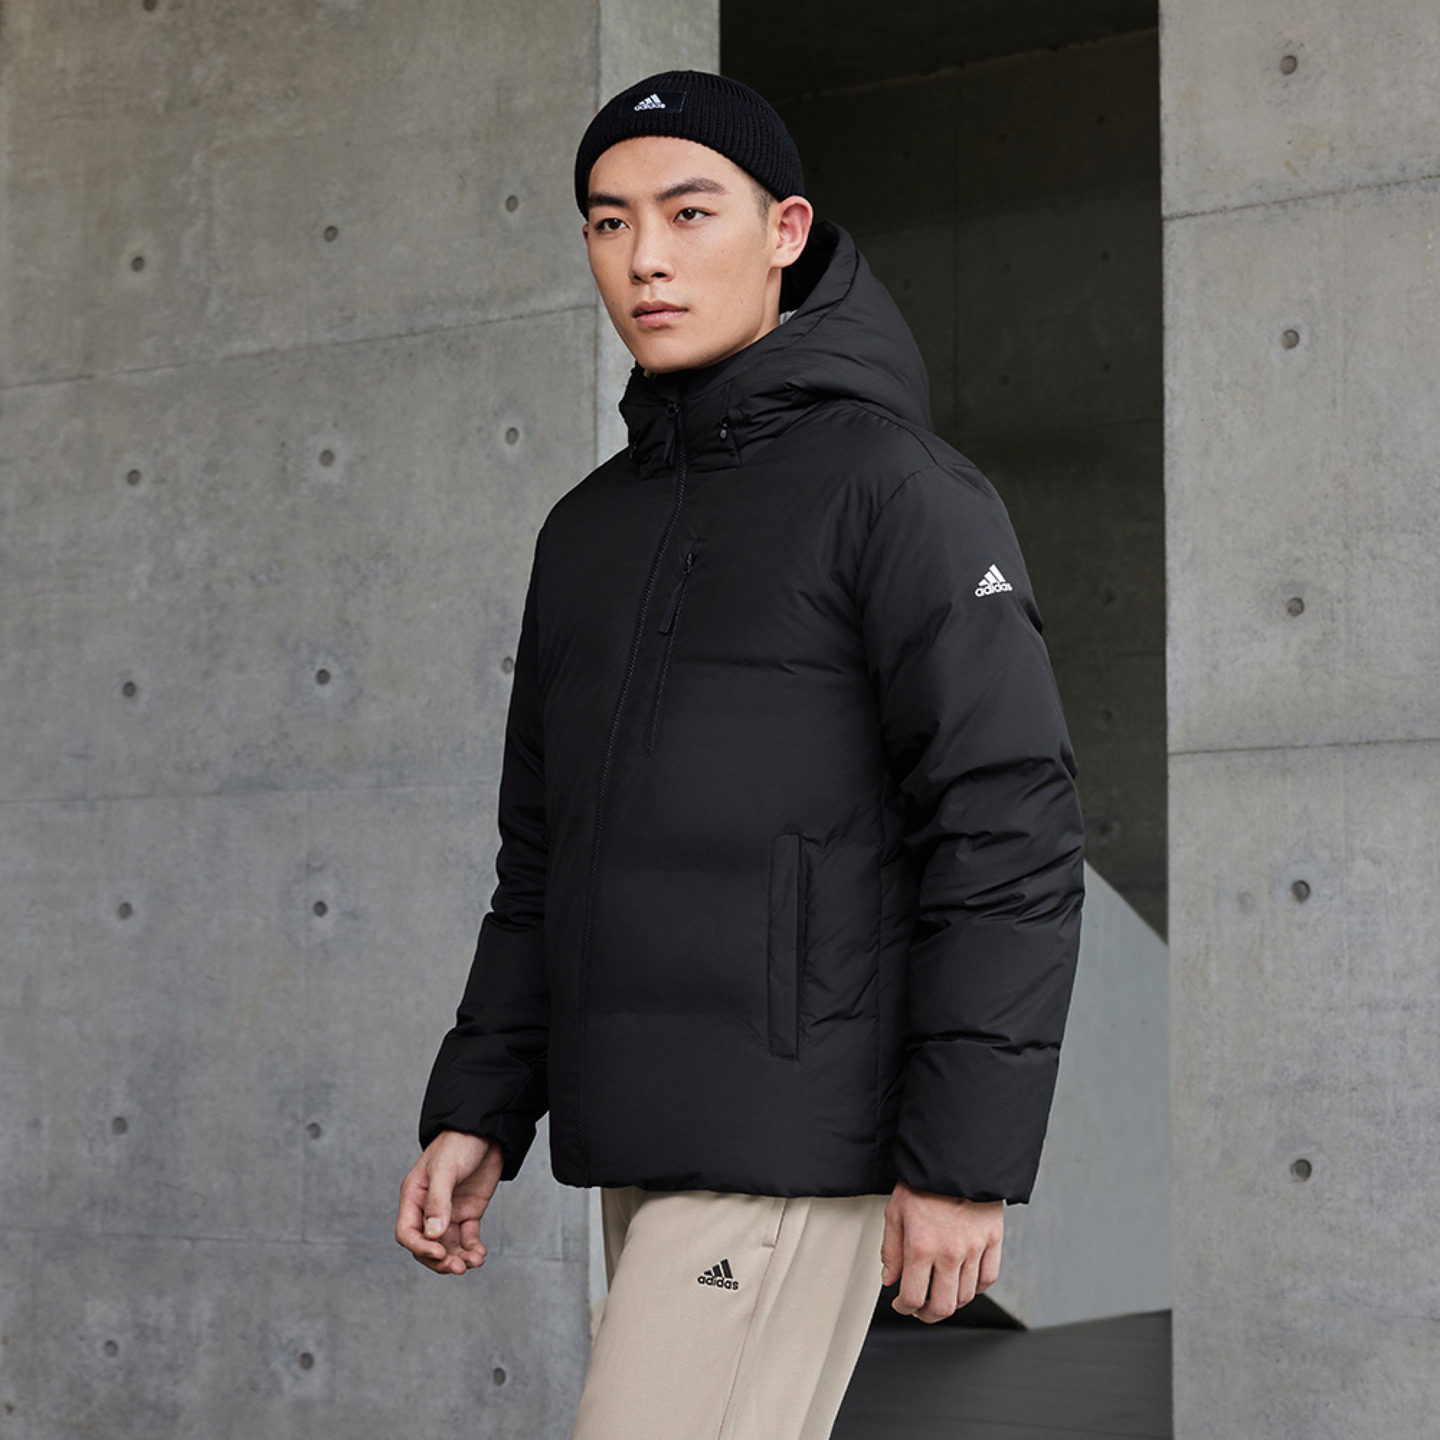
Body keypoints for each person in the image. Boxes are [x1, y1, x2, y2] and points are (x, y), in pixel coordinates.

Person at [396, 68, 1086, 1440]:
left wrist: (962, 1161)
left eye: (689, 211)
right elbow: (542, 863)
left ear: (786, 231)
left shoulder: (901, 492)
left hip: (789, 1136)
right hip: (641, 1130)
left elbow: (1008, 835)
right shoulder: (586, 531)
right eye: (610, 222)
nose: (645, 257)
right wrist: (483, 1102)